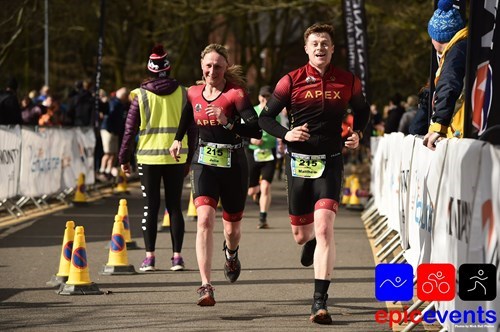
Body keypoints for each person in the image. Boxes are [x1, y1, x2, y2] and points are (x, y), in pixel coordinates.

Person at [258, 23, 370, 324]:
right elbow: (266, 119)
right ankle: (308, 243)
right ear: (307, 49)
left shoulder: (348, 80)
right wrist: (287, 133)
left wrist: (357, 132)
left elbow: (363, 110)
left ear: (332, 49)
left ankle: (319, 302)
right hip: (298, 164)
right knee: (302, 235)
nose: (320, 47)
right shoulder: (290, 81)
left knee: (324, 229)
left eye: (325, 43)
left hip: (331, 161)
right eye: (315, 43)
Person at [169, 43, 261, 306]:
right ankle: (205, 285)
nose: (212, 70)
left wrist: (227, 121)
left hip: (233, 163)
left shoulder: (235, 94)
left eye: (218, 66)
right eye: (208, 66)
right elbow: (187, 118)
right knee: (204, 220)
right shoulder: (193, 92)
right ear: (201, 66)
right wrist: (177, 140)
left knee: (231, 230)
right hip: (204, 161)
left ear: (225, 67)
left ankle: (231, 254)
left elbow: (255, 130)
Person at [119, 45, 196, 273]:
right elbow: (192, 130)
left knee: (150, 207)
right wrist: (189, 157)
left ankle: (149, 258)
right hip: (176, 157)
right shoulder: (184, 93)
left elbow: (129, 130)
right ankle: (177, 258)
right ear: (168, 69)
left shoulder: (140, 96)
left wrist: (124, 158)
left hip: (148, 158)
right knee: (175, 207)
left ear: (149, 70)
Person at [423, 0, 467, 150]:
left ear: (436, 38)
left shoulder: (456, 52)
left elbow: (449, 84)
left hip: (463, 134)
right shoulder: (464, 47)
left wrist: (438, 126)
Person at [245, 85, 279, 229]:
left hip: (269, 154)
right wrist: (251, 140)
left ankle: (262, 217)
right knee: (252, 190)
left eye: (268, 96)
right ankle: (256, 192)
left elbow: (284, 131)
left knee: (266, 187)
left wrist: (282, 142)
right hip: (252, 153)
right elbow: (241, 132)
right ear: (259, 97)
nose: (265, 99)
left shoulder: (277, 114)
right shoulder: (252, 111)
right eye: (263, 96)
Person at [98, 87, 128, 181]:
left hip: (114, 130)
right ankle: (102, 170)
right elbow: (110, 116)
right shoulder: (114, 103)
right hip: (108, 130)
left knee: (114, 153)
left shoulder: (119, 104)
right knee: (108, 152)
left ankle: (108, 171)